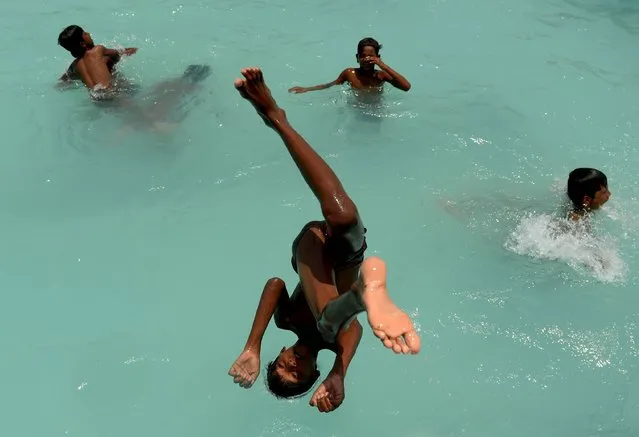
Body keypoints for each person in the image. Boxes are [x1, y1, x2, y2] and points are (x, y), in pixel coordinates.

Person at [228, 67, 420, 413]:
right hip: (348, 255)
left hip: (311, 250)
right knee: (344, 215)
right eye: (299, 375)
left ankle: (362, 294)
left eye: (284, 366)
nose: (294, 366)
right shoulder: (335, 349)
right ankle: (364, 292)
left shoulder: (285, 321)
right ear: (313, 373)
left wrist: (252, 345)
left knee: (329, 321)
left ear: (279, 355)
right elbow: (356, 334)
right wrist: (339, 373)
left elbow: (275, 284)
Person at [288, 37, 411, 94]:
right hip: (356, 110)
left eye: (371, 56)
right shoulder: (349, 73)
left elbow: (406, 87)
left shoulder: (381, 75)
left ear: (378, 58)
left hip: (376, 112)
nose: (367, 59)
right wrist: (307, 89)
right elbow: (330, 85)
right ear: (357, 58)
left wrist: (383, 66)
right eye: (363, 55)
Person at [57, 25, 137, 92]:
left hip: (97, 99)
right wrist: (135, 49)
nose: (88, 33)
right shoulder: (98, 50)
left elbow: (63, 81)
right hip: (112, 93)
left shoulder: (74, 67)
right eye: (85, 34)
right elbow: (120, 53)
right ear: (82, 43)